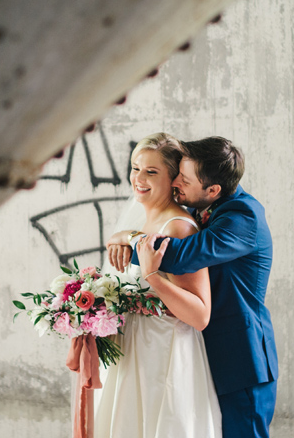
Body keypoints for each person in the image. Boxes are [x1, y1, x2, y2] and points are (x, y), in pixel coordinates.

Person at [107, 136, 278, 438]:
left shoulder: (243, 217)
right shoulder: (204, 207)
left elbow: (181, 254)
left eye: (183, 181)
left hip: (239, 358)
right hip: (202, 351)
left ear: (213, 190)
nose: (176, 185)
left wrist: (126, 237)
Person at [95, 132, 222, 437]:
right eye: (135, 168)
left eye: (152, 172)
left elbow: (199, 315)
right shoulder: (139, 224)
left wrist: (152, 278)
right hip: (130, 351)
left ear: (174, 179)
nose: (139, 178)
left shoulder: (178, 228)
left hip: (162, 353)